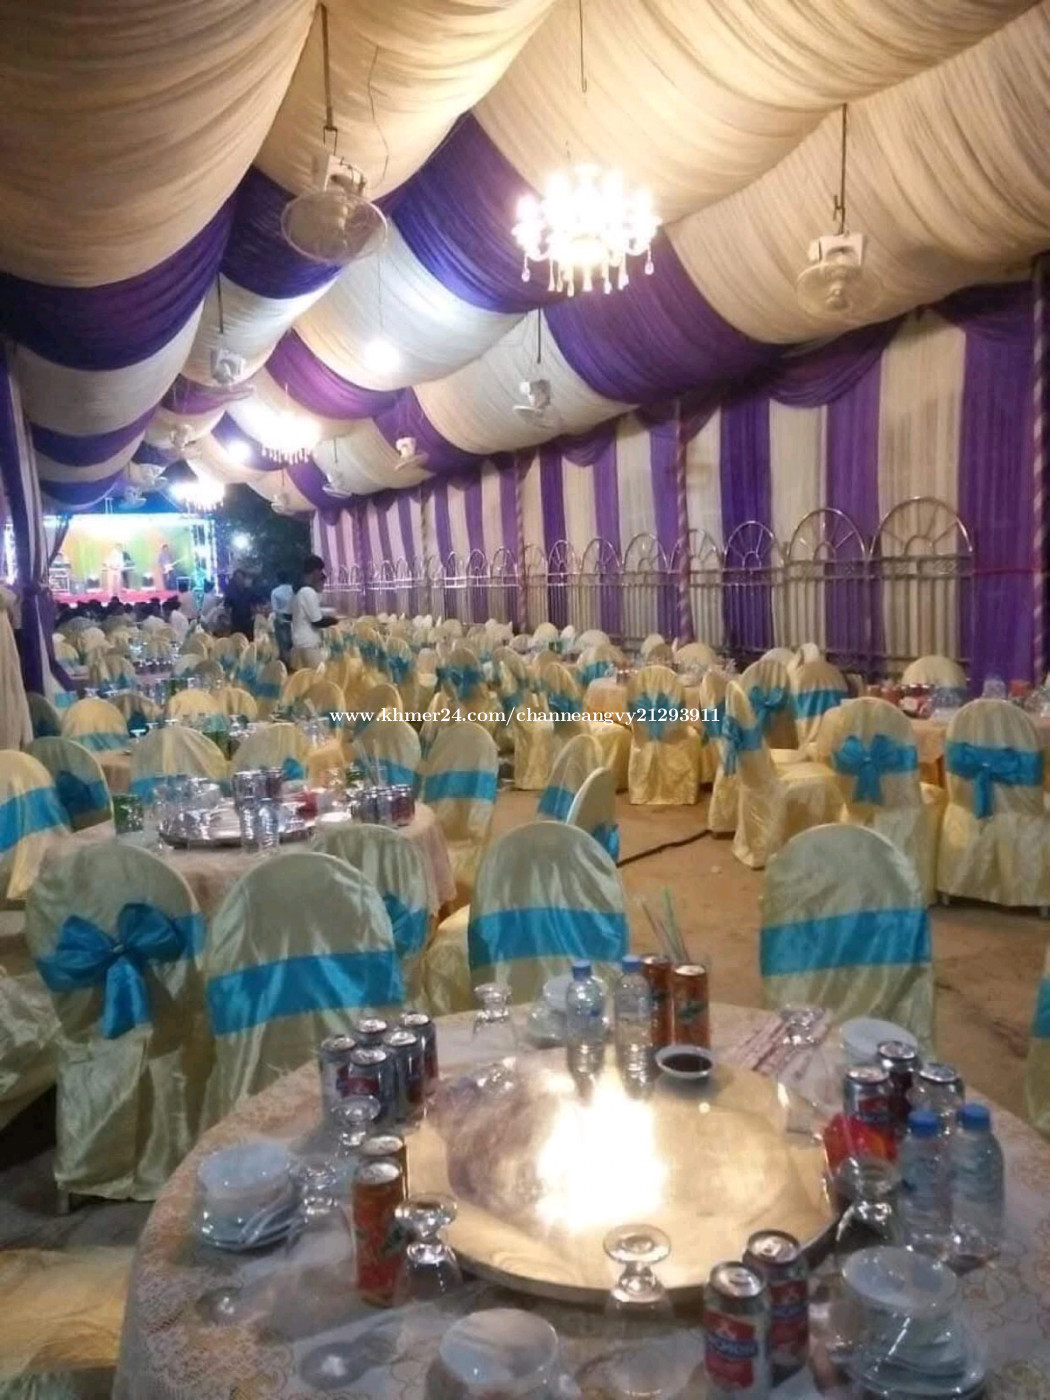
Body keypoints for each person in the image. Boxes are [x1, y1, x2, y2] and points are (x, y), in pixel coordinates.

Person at [290, 555, 337, 669]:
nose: (321, 574)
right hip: (308, 644)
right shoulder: (308, 592)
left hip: (299, 642)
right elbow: (317, 621)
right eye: (320, 571)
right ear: (315, 571)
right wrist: (335, 621)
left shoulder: (299, 590)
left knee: (305, 677)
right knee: (317, 677)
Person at [223, 568, 255, 639]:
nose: (239, 580)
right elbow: (226, 607)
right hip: (236, 623)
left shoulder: (249, 592)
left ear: (244, 579)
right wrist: (228, 619)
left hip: (248, 623)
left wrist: (254, 615)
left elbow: (254, 604)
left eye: (241, 578)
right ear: (234, 579)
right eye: (237, 578)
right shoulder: (230, 593)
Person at [270, 569, 294, 664]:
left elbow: (275, 609)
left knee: (283, 644)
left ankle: (285, 664)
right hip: (294, 619)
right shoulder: (293, 590)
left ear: (277, 579)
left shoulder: (275, 592)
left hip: (282, 619)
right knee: (293, 643)